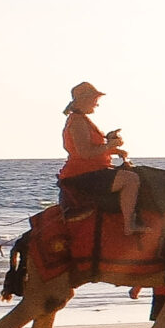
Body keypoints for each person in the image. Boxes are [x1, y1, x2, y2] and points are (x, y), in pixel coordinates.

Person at [60, 81, 143, 235]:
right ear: (84, 100)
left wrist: (115, 150)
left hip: (91, 170)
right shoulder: (77, 122)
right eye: (95, 100)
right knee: (131, 179)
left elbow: (90, 150)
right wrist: (109, 145)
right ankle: (129, 225)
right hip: (82, 175)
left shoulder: (82, 119)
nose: (96, 104)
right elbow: (85, 153)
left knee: (135, 173)